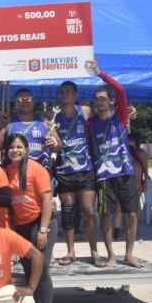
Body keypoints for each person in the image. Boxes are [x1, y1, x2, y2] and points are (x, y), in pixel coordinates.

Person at [87, 60, 142, 268]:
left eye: (102, 99)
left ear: (112, 102)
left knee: (130, 213)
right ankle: (111, 254)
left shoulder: (121, 117)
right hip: (103, 177)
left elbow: (119, 88)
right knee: (106, 215)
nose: (99, 102)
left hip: (125, 172)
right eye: (96, 99)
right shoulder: (91, 124)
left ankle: (129, 254)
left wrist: (100, 73)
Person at [3, 133, 56, 303]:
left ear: (26, 149)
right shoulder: (7, 170)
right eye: (12, 147)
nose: (15, 150)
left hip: (41, 223)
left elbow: (46, 200)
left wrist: (43, 230)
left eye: (19, 147)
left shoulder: (37, 169)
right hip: (23, 227)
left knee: (41, 270)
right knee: (28, 270)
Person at [53, 80, 100, 266]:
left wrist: (130, 112)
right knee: (67, 212)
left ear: (75, 95)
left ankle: (94, 251)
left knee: (89, 211)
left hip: (85, 170)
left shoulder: (85, 111)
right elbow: (55, 144)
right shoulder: (55, 118)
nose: (64, 95)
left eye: (68, 92)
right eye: (61, 92)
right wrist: (54, 142)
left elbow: (107, 111)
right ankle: (70, 251)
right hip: (64, 171)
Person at [0, 88, 61, 170]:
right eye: (20, 100)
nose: (25, 102)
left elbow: (58, 145)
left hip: (40, 173)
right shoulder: (7, 122)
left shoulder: (44, 121)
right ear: (15, 104)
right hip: (14, 175)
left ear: (33, 102)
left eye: (29, 99)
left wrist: (54, 143)